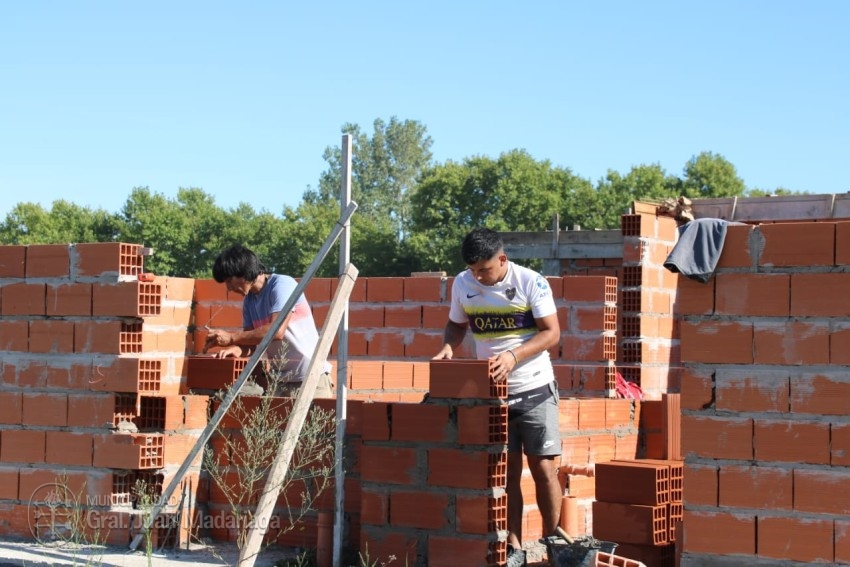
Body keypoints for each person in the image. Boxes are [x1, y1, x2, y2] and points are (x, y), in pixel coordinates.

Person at [433, 228, 562, 566]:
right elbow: (456, 325)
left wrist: (514, 357)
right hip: (494, 394)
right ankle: (515, 547)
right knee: (508, 472)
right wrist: (448, 347)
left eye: (485, 269)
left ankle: (554, 544)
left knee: (544, 467)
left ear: (502, 259)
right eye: (473, 269)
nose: (478, 276)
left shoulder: (531, 282)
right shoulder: (463, 284)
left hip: (534, 387)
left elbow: (552, 332)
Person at [203, 244, 334, 398]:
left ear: (244, 272)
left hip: (310, 379)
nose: (229, 288)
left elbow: (276, 331)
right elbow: (251, 344)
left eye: (230, 281)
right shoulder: (249, 302)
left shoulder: (282, 285)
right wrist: (235, 350)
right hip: (280, 382)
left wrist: (231, 337)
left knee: (314, 422)